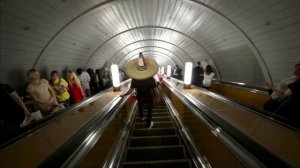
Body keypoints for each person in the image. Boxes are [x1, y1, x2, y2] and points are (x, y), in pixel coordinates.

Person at [120, 52, 159, 129]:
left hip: (140, 95)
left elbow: (130, 90)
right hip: (149, 96)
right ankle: (148, 125)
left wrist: (123, 95)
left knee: (140, 106)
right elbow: (155, 89)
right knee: (149, 110)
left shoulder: (135, 79)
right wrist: (158, 96)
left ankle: (141, 117)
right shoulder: (151, 79)